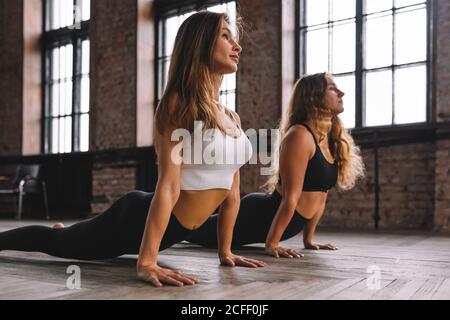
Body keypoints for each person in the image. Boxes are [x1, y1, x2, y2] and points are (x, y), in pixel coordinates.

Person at [0, 11, 266, 287]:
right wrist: (147, 262)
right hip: (135, 219)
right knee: (58, 242)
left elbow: (232, 192)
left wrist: (226, 251)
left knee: (70, 235)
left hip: (171, 231)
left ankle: (72, 230)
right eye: (225, 36)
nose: (238, 46)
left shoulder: (231, 116)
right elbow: (169, 187)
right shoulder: (178, 106)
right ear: (200, 43)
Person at [187, 72, 365, 258]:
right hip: (255, 218)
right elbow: (291, 196)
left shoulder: (330, 139)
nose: (341, 93)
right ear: (313, 97)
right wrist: (272, 244)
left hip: (280, 225)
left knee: (191, 222)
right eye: (332, 88)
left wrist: (308, 240)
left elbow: (321, 194)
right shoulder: (300, 136)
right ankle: (160, 209)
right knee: (190, 228)